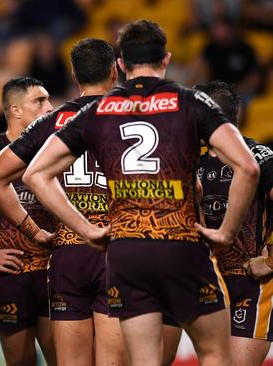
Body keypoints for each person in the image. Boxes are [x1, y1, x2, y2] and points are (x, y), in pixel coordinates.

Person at [23, 19, 260, 366]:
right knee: (213, 353)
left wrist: (87, 229)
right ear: (166, 59)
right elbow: (248, 166)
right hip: (180, 245)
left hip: (126, 252)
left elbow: (36, 174)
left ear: (121, 65)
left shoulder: (97, 111)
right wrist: (226, 232)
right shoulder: (191, 102)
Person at [0, 39, 127, 366]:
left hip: (68, 251)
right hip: (117, 246)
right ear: (115, 71)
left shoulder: (52, 122)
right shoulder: (132, 114)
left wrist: (33, 231)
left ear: (75, 75)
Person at [0, 76, 56, 365]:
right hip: (10, 278)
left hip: (54, 273)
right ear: (16, 110)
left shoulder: (58, 151)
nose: (50, 107)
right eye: (40, 101)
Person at [197, 80, 273, 366]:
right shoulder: (190, 164)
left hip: (251, 286)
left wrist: (271, 262)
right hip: (204, 284)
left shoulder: (261, 158)